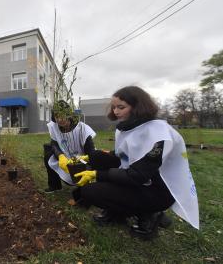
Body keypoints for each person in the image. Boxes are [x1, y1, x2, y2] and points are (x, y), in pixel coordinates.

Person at [74, 86, 199, 239]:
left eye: (121, 107)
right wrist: (91, 157)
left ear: (138, 107)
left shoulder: (157, 134)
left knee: (91, 191)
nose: (116, 112)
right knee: (98, 157)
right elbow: (123, 156)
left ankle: (150, 215)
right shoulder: (128, 127)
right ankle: (117, 213)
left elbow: (137, 175)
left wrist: (97, 174)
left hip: (156, 190)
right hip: (138, 180)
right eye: (114, 107)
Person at [44, 100, 96, 193]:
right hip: (65, 158)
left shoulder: (82, 129)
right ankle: (55, 185)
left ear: (69, 114)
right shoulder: (54, 126)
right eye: (57, 116)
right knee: (48, 151)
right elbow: (54, 143)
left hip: (81, 160)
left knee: (83, 184)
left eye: (63, 115)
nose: (60, 119)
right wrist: (60, 156)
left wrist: (86, 165)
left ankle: (86, 186)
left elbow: (91, 152)